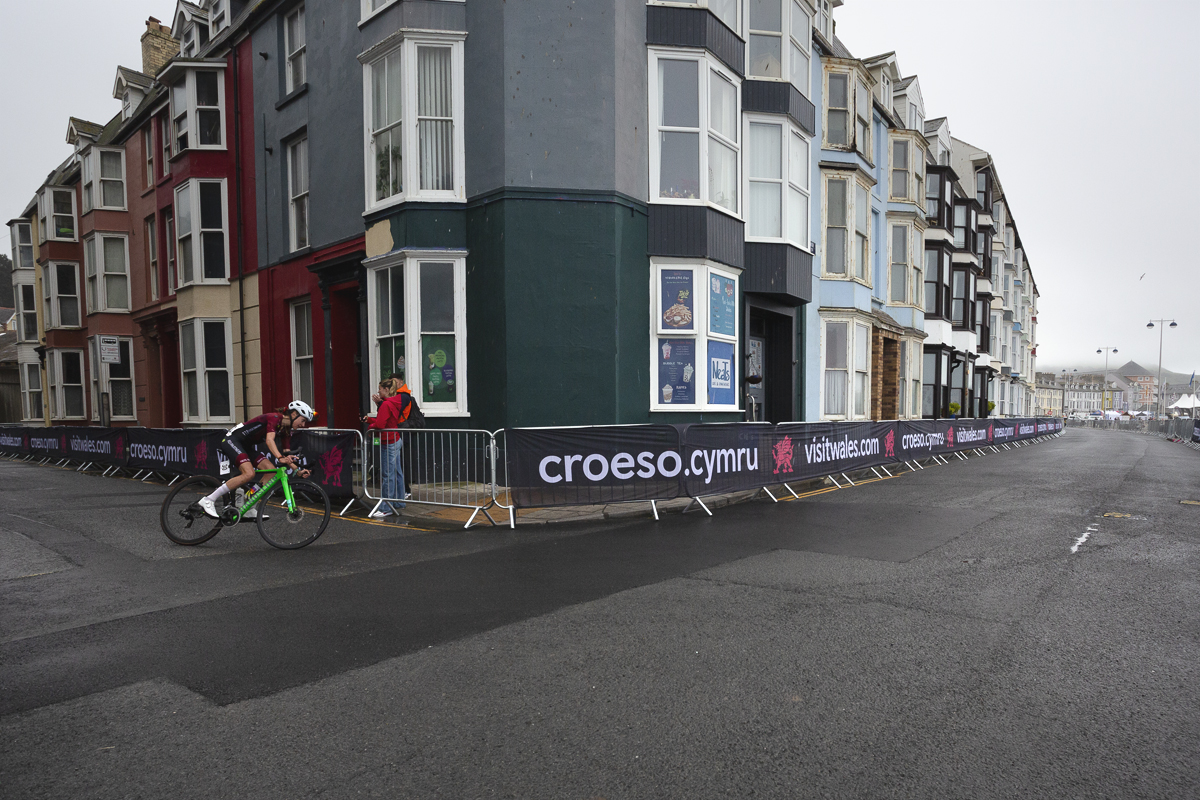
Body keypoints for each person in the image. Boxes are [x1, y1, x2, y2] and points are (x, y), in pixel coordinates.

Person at [197, 400, 315, 519]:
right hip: (232, 440)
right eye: (303, 420)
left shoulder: (286, 430)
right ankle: (208, 500)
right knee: (249, 474)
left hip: (246, 446)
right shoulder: (275, 418)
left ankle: (248, 505)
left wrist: (297, 471)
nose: (303, 425)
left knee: (271, 471)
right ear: (294, 414)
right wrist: (279, 458)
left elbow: (286, 455)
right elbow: (269, 440)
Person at [364, 377, 412, 519]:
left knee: (387, 475)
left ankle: (386, 507)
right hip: (395, 439)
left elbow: (380, 425)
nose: (378, 391)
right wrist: (371, 420)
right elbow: (387, 421)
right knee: (397, 473)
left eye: (380, 389)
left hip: (389, 441)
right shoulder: (393, 402)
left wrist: (370, 426)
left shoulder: (385, 404)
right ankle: (398, 502)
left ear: (386, 389)